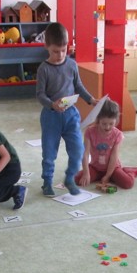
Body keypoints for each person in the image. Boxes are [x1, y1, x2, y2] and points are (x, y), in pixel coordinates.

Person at [36, 22, 97, 197]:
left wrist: (91, 99)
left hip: (71, 115)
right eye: (56, 51)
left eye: (64, 50)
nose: (60, 55)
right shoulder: (43, 69)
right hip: (51, 116)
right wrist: (51, 104)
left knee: (78, 150)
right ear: (47, 47)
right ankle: (47, 182)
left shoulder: (71, 64)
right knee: (49, 153)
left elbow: (78, 86)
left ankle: (70, 178)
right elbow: (40, 95)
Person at [76, 99, 137, 191]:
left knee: (128, 183)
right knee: (76, 179)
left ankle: (130, 171)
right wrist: (86, 173)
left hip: (113, 168)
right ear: (98, 120)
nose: (107, 127)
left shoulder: (117, 135)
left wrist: (108, 175)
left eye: (111, 124)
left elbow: (114, 157)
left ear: (116, 120)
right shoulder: (90, 132)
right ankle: (100, 176)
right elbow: (85, 153)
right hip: (95, 167)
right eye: (104, 124)